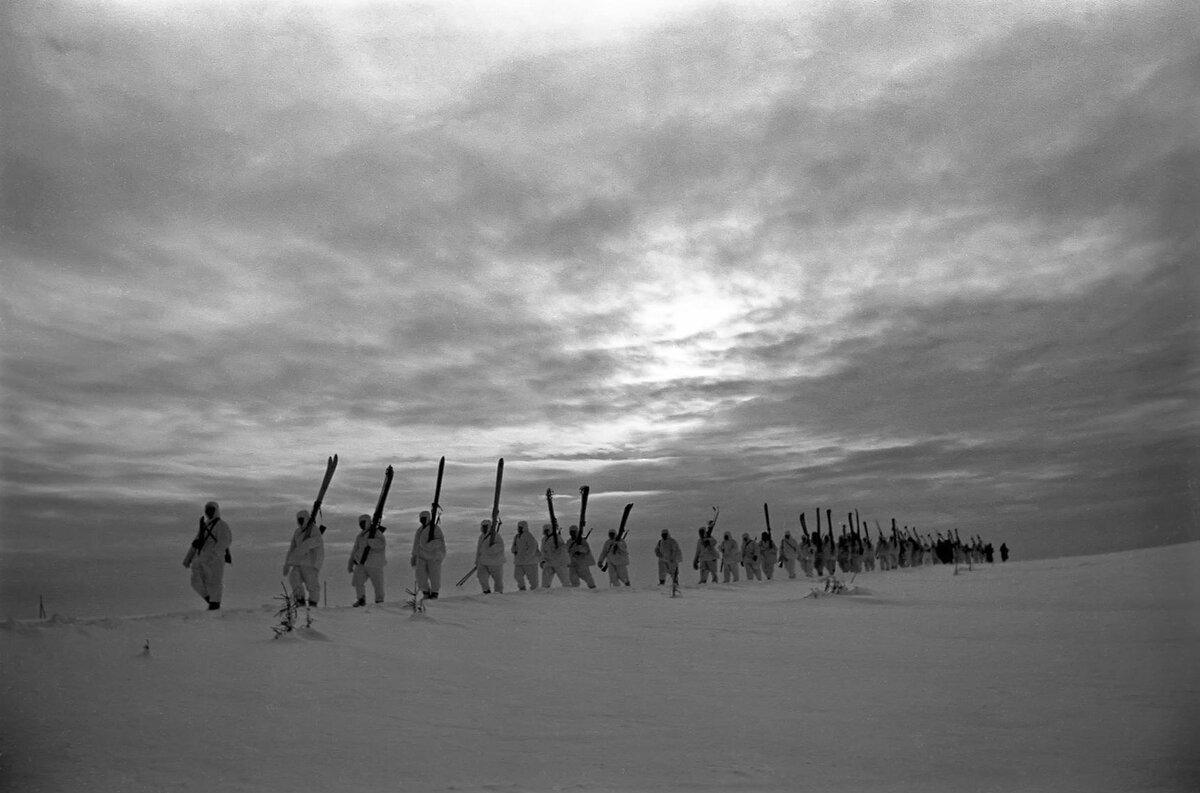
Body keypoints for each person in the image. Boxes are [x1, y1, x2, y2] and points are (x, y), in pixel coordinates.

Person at [183, 501, 232, 610]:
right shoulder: (204, 526)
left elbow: (224, 541)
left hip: (214, 560)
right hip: (200, 559)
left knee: (214, 582)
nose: (209, 512)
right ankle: (211, 601)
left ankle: (214, 605)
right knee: (196, 581)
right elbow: (195, 542)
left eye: (211, 510)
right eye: (207, 510)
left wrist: (214, 555)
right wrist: (188, 559)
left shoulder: (221, 525)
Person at [283, 509, 324, 607]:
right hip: (298, 563)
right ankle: (300, 600)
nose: (301, 521)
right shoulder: (297, 532)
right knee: (294, 578)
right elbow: (292, 548)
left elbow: (317, 541)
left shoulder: (314, 529)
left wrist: (304, 546)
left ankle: (313, 603)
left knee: (312, 584)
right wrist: (287, 563)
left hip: (310, 563)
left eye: (302, 519)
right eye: (299, 519)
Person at [348, 514, 386, 606]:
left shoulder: (376, 532)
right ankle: (361, 599)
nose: (361, 525)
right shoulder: (360, 536)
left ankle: (379, 601)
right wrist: (350, 563)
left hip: (374, 563)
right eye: (360, 523)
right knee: (357, 581)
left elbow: (381, 543)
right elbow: (355, 550)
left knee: (378, 584)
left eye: (363, 522)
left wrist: (369, 542)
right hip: (361, 563)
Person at [411, 510, 446, 599]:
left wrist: (429, 545)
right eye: (421, 519)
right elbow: (416, 544)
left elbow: (439, 542)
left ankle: (434, 593)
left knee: (434, 576)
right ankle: (425, 592)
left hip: (433, 556)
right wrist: (414, 555)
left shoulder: (435, 529)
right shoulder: (419, 530)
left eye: (424, 518)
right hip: (421, 556)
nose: (422, 520)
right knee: (420, 576)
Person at [475, 520, 506, 594]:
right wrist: (477, 561)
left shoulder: (496, 536)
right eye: (483, 526)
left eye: (485, 526)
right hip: (483, 561)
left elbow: (500, 546)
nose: (484, 528)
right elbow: (479, 550)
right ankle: (486, 590)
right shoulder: (481, 537)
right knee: (481, 576)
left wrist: (492, 549)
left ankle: (498, 592)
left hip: (495, 562)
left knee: (497, 579)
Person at [510, 520, 541, 590]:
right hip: (519, 561)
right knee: (517, 575)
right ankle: (522, 587)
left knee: (532, 578)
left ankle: (535, 590)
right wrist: (514, 550)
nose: (519, 529)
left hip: (530, 562)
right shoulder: (516, 537)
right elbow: (513, 548)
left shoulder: (529, 536)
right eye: (519, 527)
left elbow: (533, 548)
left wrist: (526, 557)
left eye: (521, 527)